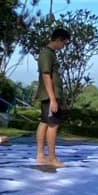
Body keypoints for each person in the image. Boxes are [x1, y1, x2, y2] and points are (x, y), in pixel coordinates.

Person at [35, 26, 71, 168]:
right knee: (53, 125)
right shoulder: (46, 53)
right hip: (51, 95)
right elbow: (45, 75)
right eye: (64, 43)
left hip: (49, 95)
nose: (64, 46)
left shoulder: (50, 53)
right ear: (59, 39)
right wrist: (52, 99)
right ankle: (51, 158)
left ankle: (40, 155)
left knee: (44, 122)